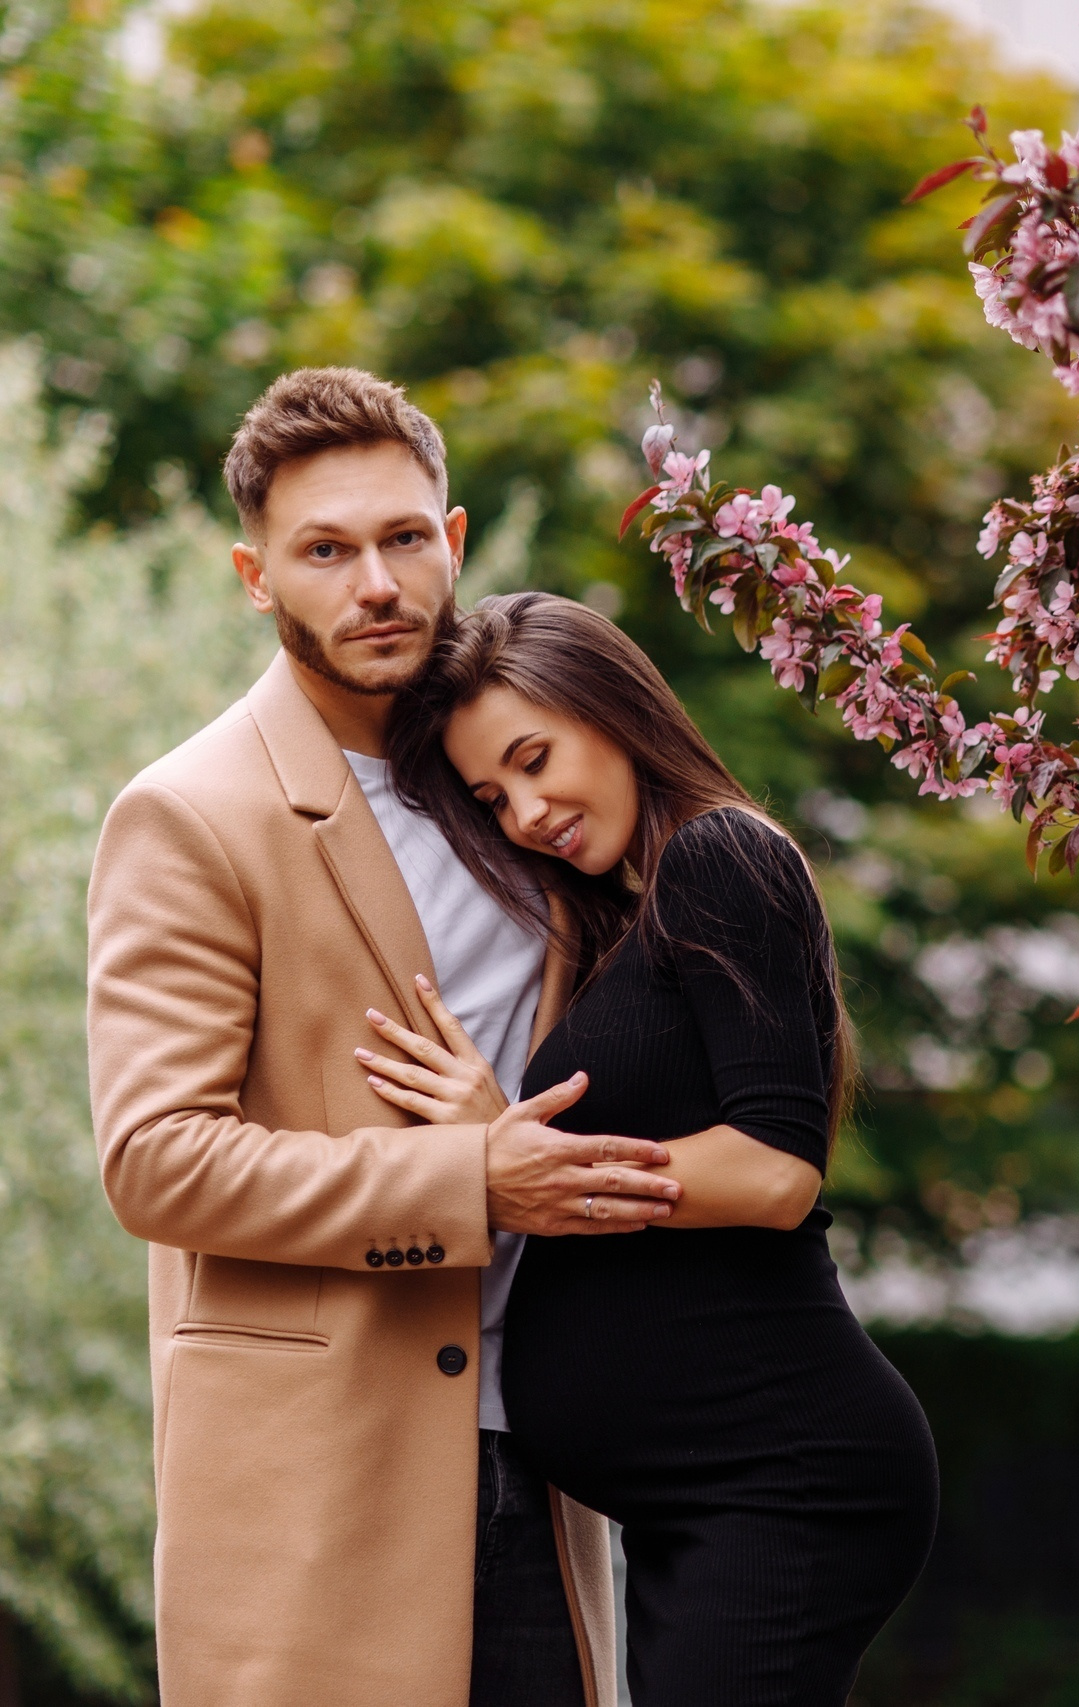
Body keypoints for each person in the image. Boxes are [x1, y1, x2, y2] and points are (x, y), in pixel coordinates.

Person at [86, 367, 681, 1705]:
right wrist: (471, 1180)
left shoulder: (521, 783)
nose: (377, 582)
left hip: (548, 1452)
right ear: (256, 574)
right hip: (323, 1486)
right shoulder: (188, 814)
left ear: (454, 540)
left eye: (405, 538)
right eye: (327, 549)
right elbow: (156, 1157)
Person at [364, 591, 939, 1706]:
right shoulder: (631, 918)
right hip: (704, 1494)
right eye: (494, 796)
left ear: (611, 706)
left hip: (785, 1479)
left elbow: (775, 1172)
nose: (526, 813)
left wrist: (510, 1159)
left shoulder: (723, 856)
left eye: (536, 760)